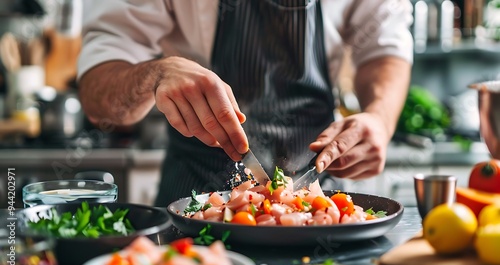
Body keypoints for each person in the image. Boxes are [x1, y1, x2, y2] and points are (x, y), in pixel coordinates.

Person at [77, 0, 413, 206]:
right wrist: (155, 74)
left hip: (322, 193)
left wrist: (379, 119)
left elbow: (384, 48)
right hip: (196, 196)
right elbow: (98, 96)